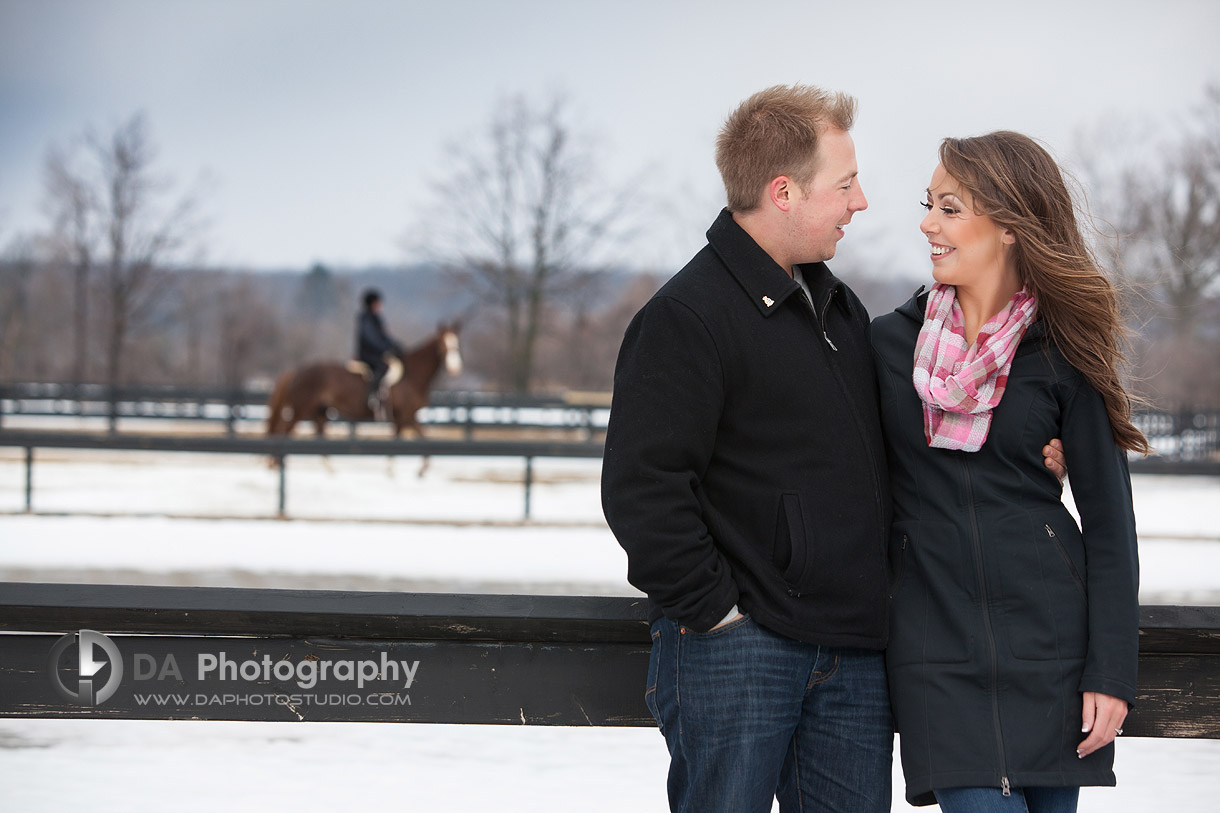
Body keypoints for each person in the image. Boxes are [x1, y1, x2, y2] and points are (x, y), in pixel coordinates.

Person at [601, 83, 897, 813]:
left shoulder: (840, 310)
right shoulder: (686, 318)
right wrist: (716, 612)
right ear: (784, 191)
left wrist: (1029, 441)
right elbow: (642, 488)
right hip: (739, 650)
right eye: (847, 183)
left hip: (854, 651)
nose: (860, 203)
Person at [869, 131, 1147, 811]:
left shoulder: (1064, 353)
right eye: (929, 204)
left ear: (1011, 227)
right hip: (937, 654)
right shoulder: (882, 348)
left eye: (951, 208)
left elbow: (1110, 529)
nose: (928, 223)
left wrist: (1110, 672)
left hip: (1052, 653)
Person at [355, 288, 404, 416]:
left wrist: (396, 346)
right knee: (382, 367)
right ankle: (373, 396)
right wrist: (385, 348)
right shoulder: (366, 319)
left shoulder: (376, 319)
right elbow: (371, 339)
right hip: (368, 355)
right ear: (373, 304)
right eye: (378, 303)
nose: (381, 306)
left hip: (377, 353)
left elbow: (384, 337)